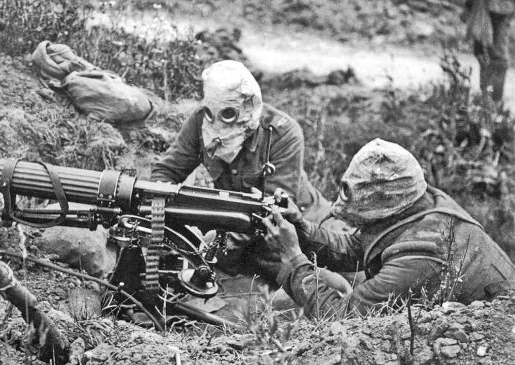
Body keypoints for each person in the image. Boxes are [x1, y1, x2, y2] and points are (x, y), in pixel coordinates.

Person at [263, 138, 515, 318]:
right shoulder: (419, 203)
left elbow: (340, 317)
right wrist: (302, 229)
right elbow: (359, 247)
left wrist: (293, 258)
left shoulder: (421, 253)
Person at [151, 60, 337, 286]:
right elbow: (166, 172)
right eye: (212, 112)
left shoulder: (283, 134)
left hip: (294, 232)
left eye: (229, 113)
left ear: (249, 105)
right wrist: (168, 220)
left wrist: (219, 241)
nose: (217, 121)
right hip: (238, 229)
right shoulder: (200, 121)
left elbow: (275, 212)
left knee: (322, 287)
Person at [463, 0, 513, 102]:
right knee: (481, 52)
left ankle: (495, 100)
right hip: (482, 7)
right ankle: (486, 97)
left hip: (500, 8)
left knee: (498, 56)